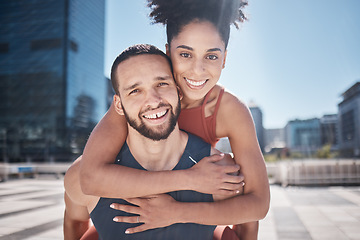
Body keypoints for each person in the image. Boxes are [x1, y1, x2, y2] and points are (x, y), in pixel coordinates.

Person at [79, 0, 270, 239]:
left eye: (211, 56)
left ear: (224, 58)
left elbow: (258, 203)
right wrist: (189, 179)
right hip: (138, 194)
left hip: (193, 203)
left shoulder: (230, 110)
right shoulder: (141, 102)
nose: (197, 70)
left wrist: (176, 212)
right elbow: (88, 177)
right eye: (185, 54)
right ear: (168, 52)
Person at [64, 44, 243, 240]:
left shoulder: (219, 172)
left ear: (178, 91)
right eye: (135, 91)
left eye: (161, 84)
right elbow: (75, 223)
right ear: (118, 104)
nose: (152, 100)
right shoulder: (81, 177)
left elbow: (247, 222)